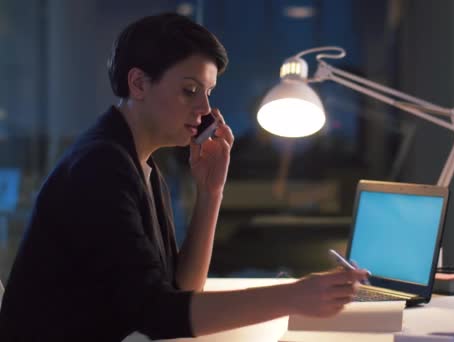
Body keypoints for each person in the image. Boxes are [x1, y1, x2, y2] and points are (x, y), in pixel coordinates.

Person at [0, 13, 368, 341]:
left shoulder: (139, 162)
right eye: (190, 90)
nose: (205, 108)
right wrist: (294, 296)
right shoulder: (100, 168)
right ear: (139, 84)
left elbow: (180, 289)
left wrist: (211, 192)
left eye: (207, 93)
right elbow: (159, 317)